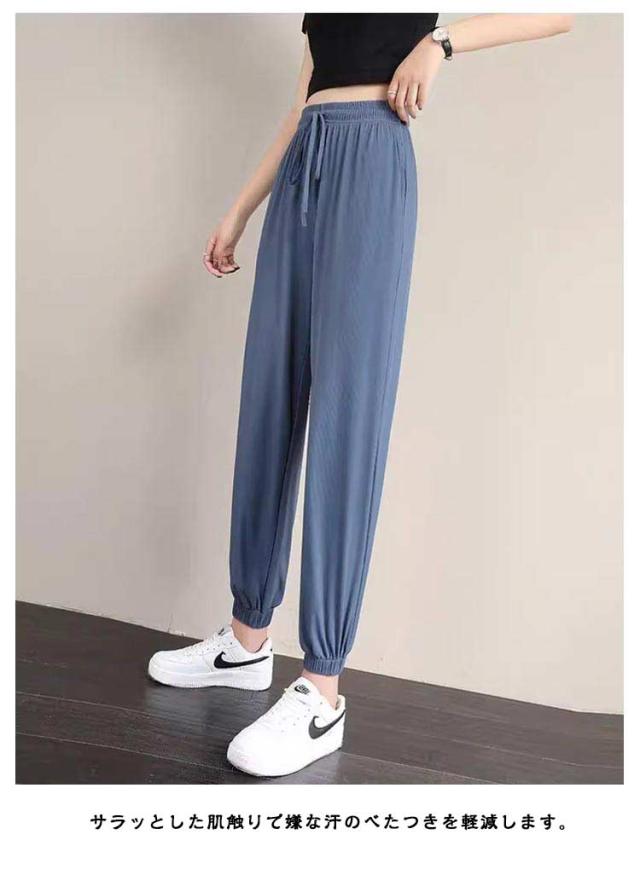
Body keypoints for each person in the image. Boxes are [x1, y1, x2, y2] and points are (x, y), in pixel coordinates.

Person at [148, 12, 574, 778]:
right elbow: (302, 104)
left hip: (372, 159)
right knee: (269, 399)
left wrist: (439, 44)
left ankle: (322, 688)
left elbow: (561, 12)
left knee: (346, 417)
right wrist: (241, 208)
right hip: (303, 166)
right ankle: (247, 641)